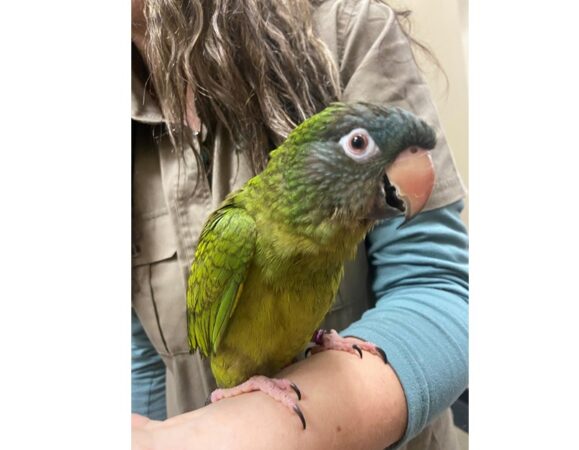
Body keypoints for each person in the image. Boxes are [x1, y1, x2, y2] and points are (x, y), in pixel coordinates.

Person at [131, 0, 468, 448]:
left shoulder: (341, 31)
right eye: (358, 143)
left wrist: (255, 428)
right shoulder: (237, 234)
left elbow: (439, 285)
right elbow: (146, 357)